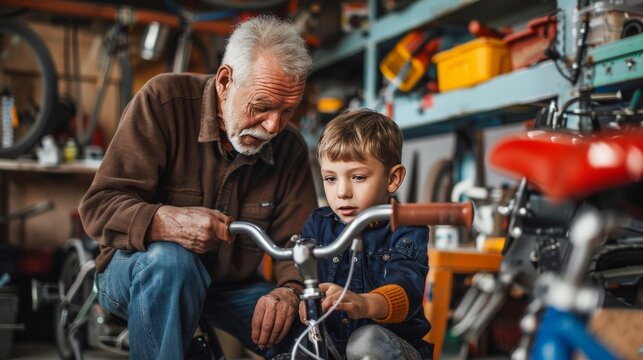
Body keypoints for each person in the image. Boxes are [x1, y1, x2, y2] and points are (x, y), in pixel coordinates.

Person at [79, 15, 318, 359]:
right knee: (172, 262)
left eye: (288, 110)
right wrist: (165, 222)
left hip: (229, 289)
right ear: (225, 82)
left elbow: (299, 242)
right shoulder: (162, 103)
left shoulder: (289, 145)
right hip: (138, 273)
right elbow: (99, 208)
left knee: (311, 329)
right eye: (262, 107)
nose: (274, 125)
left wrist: (290, 292)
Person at [298, 109, 433, 359]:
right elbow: (304, 275)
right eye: (330, 178)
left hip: (388, 349)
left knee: (365, 342)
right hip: (332, 348)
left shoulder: (406, 227)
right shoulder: (318, 224)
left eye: (358, 177)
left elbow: (407, 289)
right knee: (300, 344)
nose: (342, 192)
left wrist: (365, 303)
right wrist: (302, 298)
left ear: (393, 179)